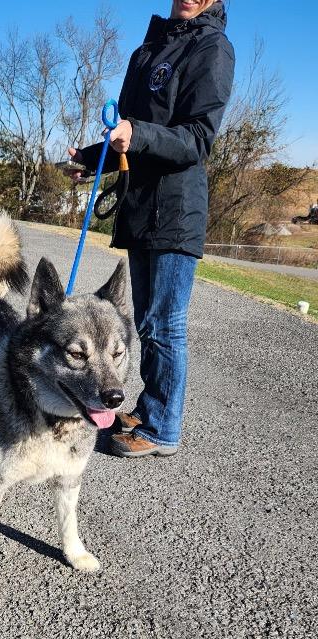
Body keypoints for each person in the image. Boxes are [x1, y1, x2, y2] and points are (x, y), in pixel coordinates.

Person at [66, 0, 234, 457]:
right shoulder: (148, 49)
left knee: (164, 325)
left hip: (176, 211)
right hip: (141, 208)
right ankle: (149, 407)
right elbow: (128, 131)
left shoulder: (212, 47)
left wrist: (135, 133)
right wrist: (91, 157)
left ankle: (162, 428)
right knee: (145, 321)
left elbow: (197, 137)